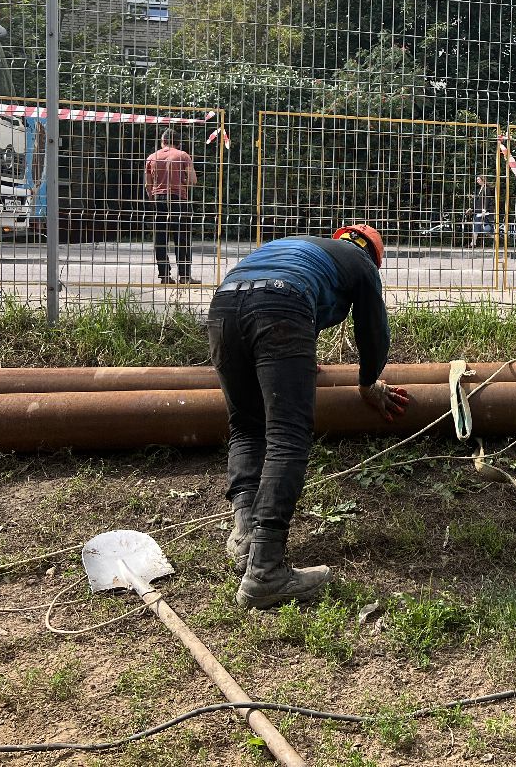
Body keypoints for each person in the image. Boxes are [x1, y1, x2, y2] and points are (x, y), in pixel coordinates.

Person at [212, 223, 412, 609]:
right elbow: (373, 330)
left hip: (224, 304)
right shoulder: (361, 262)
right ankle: (266, 571)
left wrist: (295, 357)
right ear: (376, 255)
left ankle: (244, 536)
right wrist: (368, 382)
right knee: (288, 435)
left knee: (246, 426)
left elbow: (282, 294)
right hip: (279, 305)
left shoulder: (300, 246)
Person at [144, 127, 198, 284]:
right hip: (178, 199)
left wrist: (153, 198)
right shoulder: (183, 156)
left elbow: (148, 184)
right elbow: (193, 180)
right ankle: (185, 276)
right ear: (179, 143)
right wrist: (182, 182)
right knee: (182, 238)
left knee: (160, 239)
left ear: (162, 141)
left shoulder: (151, 158)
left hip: (158, 199)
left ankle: (164, 276)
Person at [469, 174, 493, 247]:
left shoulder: (486, 189)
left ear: (483, 180)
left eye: (478, 179)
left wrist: (484, 209)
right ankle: (473, 243)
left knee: (484, 229)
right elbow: (477, 202)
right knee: (477, 227)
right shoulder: (479, 190)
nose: (477, 181)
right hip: (478, 211)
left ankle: (495, 237)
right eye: (477, 179)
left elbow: (487, 199)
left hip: (483, 212)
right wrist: (471, 208)